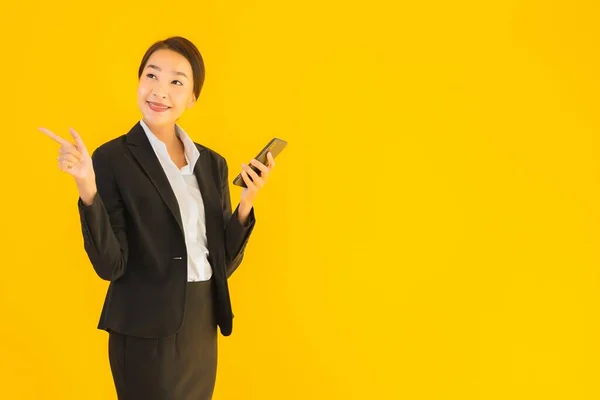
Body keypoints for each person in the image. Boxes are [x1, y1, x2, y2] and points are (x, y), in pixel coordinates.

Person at [39, 36, 275, 399]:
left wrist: (247, 202)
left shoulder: (211, 164)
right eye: (151, 76)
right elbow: (110, 265)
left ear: (193, 97)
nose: (159, 91)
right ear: (139, 82)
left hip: (200, 327)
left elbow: (222, 264)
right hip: (143, 330)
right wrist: (87, 185)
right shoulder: (112, 158)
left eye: (176, 82)